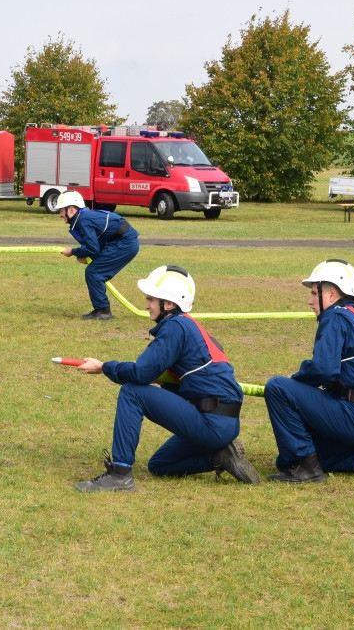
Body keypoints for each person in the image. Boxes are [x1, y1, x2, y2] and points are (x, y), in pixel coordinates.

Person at [73, 265, 260, 492]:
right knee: (160, 465)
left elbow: (141, 373)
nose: (146, 305)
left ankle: (120, 475)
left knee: (132, 391)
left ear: (169, 304)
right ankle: (220, 457)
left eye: (151, 299)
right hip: (222, 422)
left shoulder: (175, 327)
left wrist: (104, 367)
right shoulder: (187, 326)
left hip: (212, 422)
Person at [263, 259, 354, 483]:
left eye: (315, 293)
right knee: (293, 458)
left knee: (277, 388)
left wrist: (296, 382)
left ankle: (306, 469)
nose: (310, 301)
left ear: (331, 294)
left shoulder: (335, 316)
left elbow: (324, 370)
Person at [57, 191, 140, 320]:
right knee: (95, 270)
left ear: (71, 210)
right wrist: (86, 254)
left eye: (61, 210)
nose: (60, 215)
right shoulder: (84, 218)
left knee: (94, 272)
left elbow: (92, 247)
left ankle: (103, 311)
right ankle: (102, 309)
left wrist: (73, 252)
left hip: (125, 243)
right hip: (122, 242)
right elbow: (96, 244)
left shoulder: (83, 221)